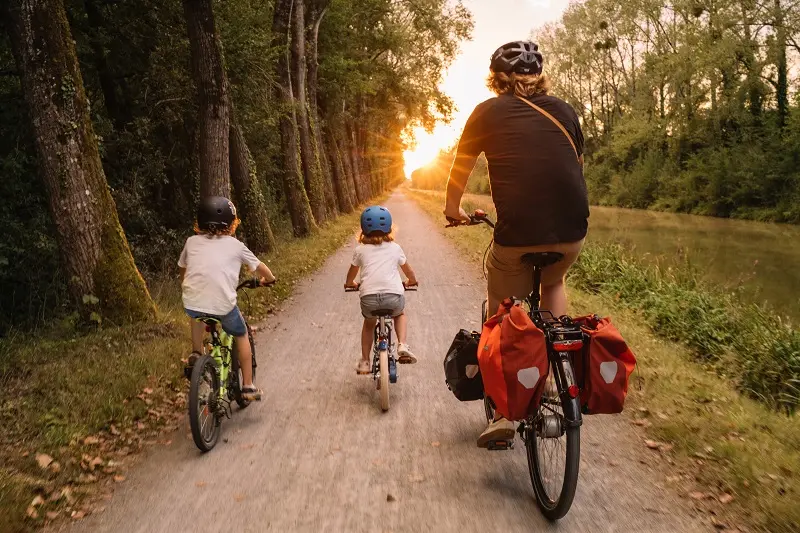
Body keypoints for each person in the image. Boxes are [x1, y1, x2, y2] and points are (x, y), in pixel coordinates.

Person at [443, 41, 589, 448]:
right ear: (539, 76)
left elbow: (461, 168)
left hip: (517, 234)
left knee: (502, 310)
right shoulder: (564, 110)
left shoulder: (486, 112)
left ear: (497, 79)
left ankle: (505, 411)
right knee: (554, 283)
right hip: (573, 230)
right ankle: (558, 369)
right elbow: (575, 168)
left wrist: (452, 210)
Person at [179, 196, 276, 401]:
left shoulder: (191, 242)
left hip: (192, 300)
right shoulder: (236, 245)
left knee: (196, 312)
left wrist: (186, 284)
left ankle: (196, 353)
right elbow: (260, 268)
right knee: (241, 333)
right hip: (223, 305)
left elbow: (183, 268)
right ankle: (248, 386)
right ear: (230, 224)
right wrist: (269, 279)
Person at [344, 206, 419, 374]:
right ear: (389, 228)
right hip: (393, 296)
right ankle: (402, 344)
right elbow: (408, 271)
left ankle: (365, 361)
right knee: (399, 314)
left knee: (369, 324)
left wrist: (350, 283)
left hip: (369, 299)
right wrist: (411, 281)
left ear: (363, 229)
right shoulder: (395, 248)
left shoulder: (360, 250)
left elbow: (352, 273)